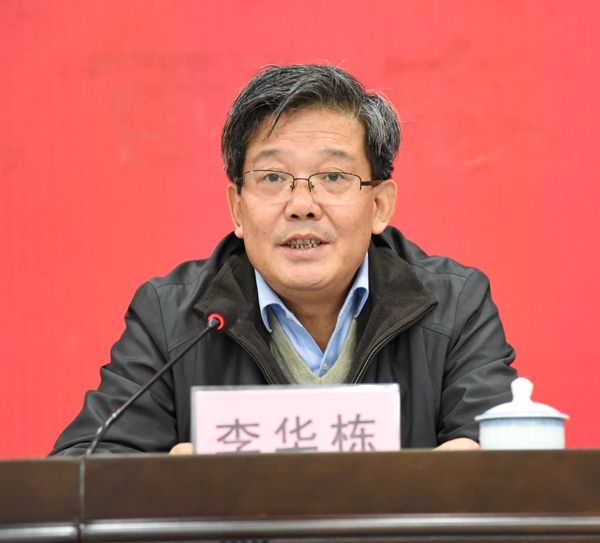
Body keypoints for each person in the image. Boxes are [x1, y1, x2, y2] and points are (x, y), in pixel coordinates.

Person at [51, 64, 516, 456]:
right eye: (273, 177)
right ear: (237, 208)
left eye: (333, 176)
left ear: (379, 205)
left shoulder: (454, 307)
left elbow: (512, 467)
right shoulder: (172, 318)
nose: (302, 205)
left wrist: (468, 474)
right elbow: (81, 471)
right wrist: (169, 486)